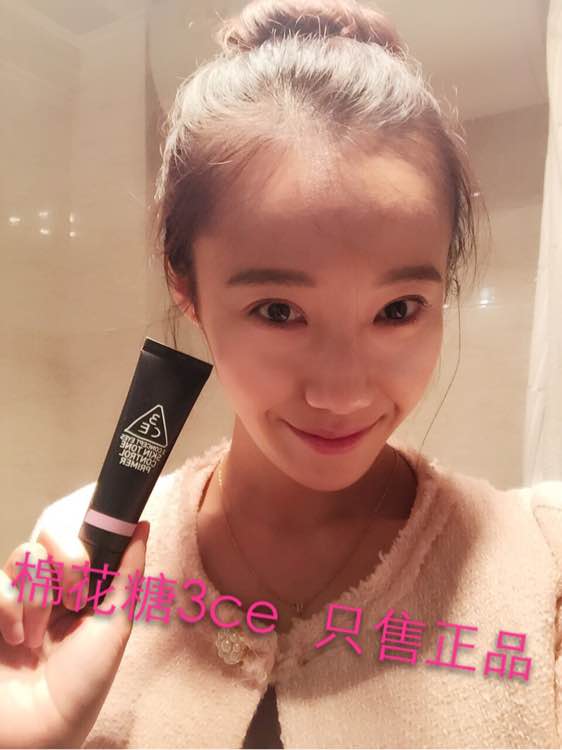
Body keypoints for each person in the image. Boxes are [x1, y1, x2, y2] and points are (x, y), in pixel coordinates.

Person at [1, 0, 562, 747]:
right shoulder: (85, 566)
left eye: (398, 310)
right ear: (186, 287)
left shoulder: (543, 566)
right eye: (278, 310)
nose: (342, 393)